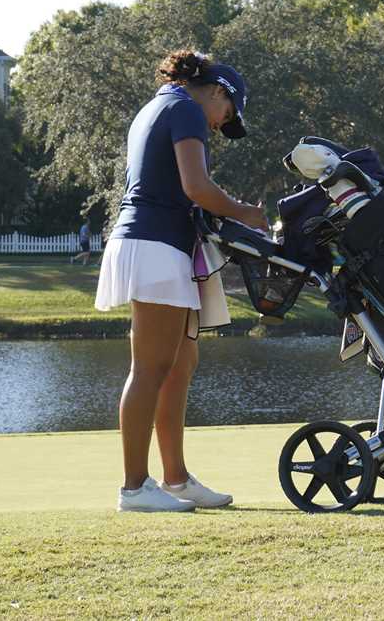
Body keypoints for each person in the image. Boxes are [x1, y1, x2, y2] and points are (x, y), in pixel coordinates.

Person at [95, 49, 268, 513]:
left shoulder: (162, 106)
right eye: (226, 115)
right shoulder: (185, 109)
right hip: (153, 246)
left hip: (160, 246)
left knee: (179, 364)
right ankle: (134, 488)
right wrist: (247, 213)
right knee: (150, 368)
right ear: (215, 92)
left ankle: (175, 479)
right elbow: (198, 188)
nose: (219, 126)